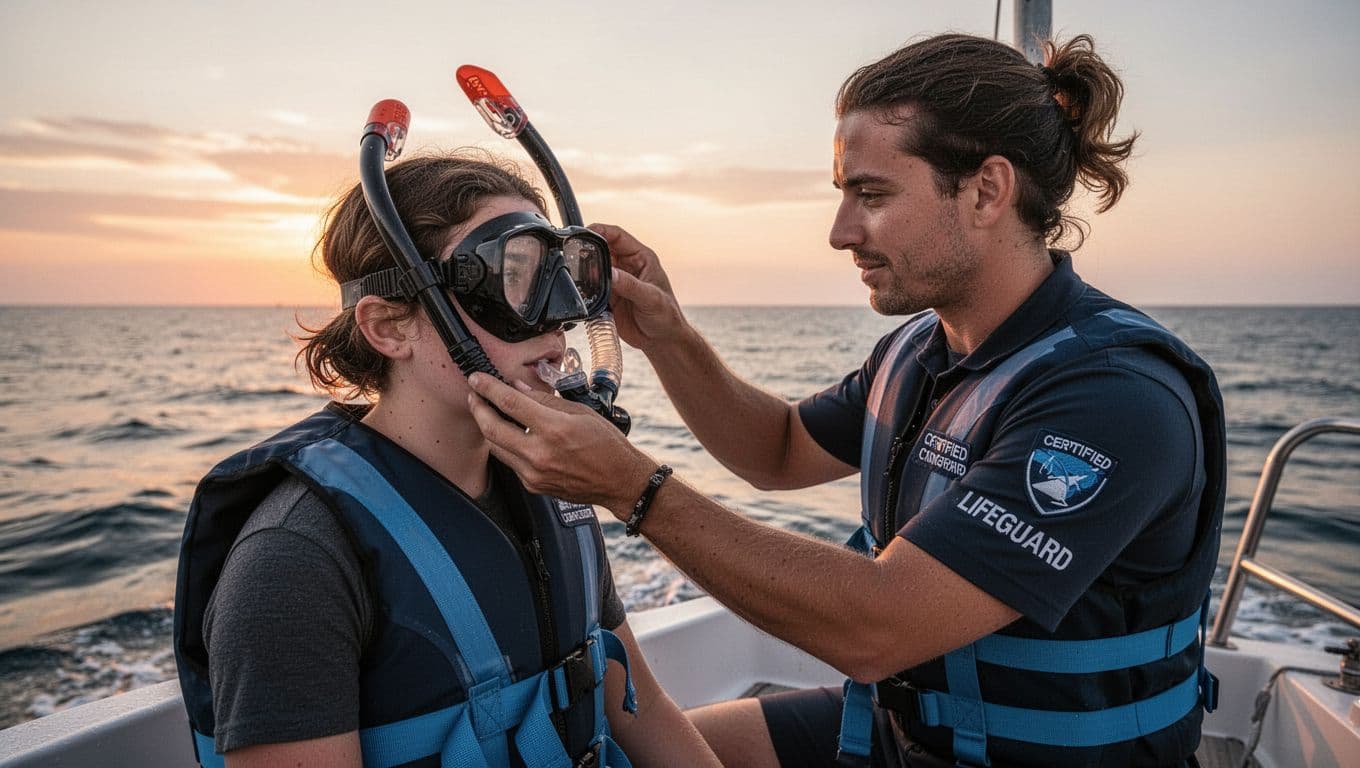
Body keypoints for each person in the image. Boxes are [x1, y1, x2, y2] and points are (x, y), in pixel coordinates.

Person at [465, 34, 1226, 768]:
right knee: (639, 753)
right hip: (901, 737)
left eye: (871, 194)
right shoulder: (921, 351)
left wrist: (629, 486)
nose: (839, 232)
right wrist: (669, 335)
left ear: (988, 190)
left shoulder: (1114, 397)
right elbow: (779, 450)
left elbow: (878, 628)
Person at [172, 154, 722, 768]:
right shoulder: (293, 560)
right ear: (389, 327)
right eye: (516, 275)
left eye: (564, 273)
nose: (560, 312)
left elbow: (638, 709)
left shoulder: (556, 489)